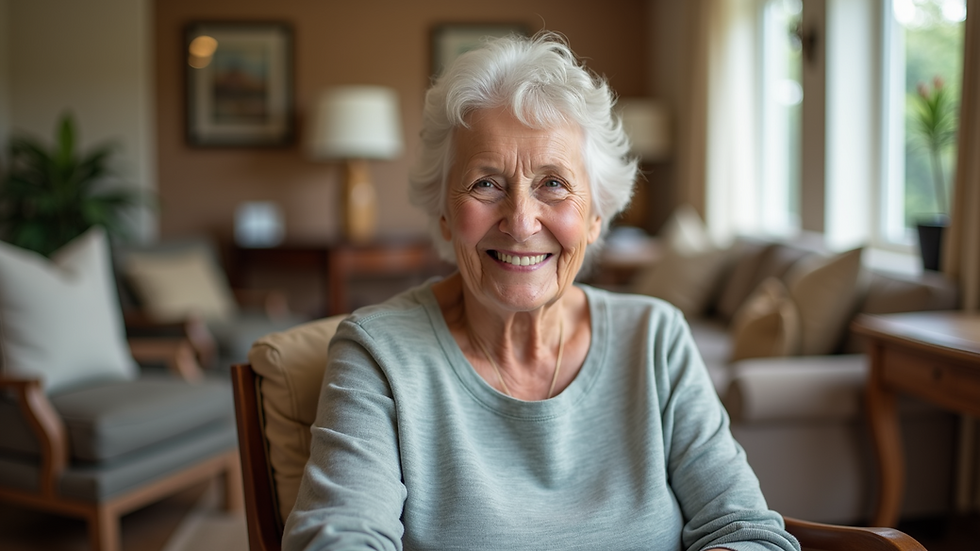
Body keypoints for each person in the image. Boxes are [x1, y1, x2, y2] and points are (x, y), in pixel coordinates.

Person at [283, 32, 801, 551]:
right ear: (443, 215)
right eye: (486, 183)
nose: (521, 221)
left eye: (553, 183)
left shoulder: (654, 339)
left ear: (596, 216)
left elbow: (746, 531)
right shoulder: (378, 354)